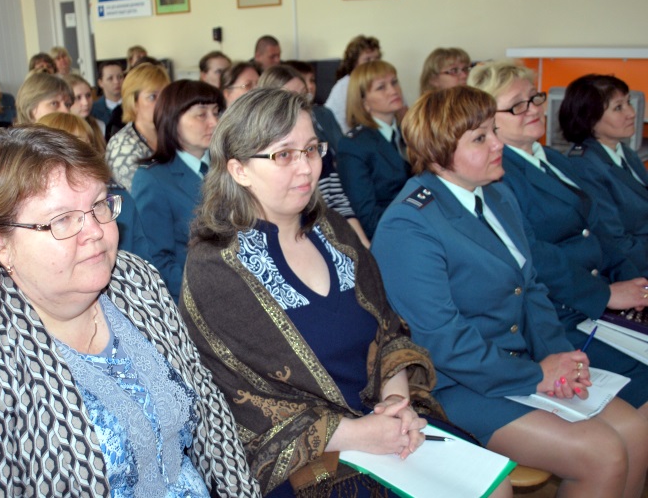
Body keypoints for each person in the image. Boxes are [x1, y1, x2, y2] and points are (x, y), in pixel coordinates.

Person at [0, 125, 260, 496]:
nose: (96, 231)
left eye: (100, 205)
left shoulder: (135, 281)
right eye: (62, 220)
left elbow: (208, 411)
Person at [178, 89, 501, 497]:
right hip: (302, 455)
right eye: (283, 155)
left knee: (492, 485)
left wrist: (396, 401)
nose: (306, 168)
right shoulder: (217, 265)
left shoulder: (333, 230)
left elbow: (388, 329)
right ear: (239, 169)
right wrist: (358, 434)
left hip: (381, 416)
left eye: (311, 150)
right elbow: (242, 402)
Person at [373, 85, 648, 497]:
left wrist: (558, 357)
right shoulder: (410, 225)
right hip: (456, 385)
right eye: (480, 138)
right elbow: (442, 341)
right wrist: (537, 374)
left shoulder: (496, 194)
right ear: (437, 154)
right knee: (603, 453)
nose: (498, 144)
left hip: (519, 364)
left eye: (493, 132)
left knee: (635, 430)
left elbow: (532, 286)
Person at [468, 59, 648, 413]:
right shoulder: (498, 175)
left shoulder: (549, 157)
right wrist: (605, 294)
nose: (533, 109)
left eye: (534, 98)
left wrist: (632, 281)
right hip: (558, 311)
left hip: (594, 298)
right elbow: (532, 253)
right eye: (517, 105)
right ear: (488, 122)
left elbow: (595, 229)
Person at [258, 64, 370, 246]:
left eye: (304, 95)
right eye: (291, 97)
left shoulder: (316, 146)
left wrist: (364, 245)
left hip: (329, 225)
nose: (301, 102)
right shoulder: (263, 150)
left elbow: (338, 199)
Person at [132, 80, 224, 301]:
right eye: (201, 115)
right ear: (172, 121)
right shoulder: (153, 179)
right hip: (194, 298)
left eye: (216, 113)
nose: (214, 122)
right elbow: (156, 260)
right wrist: (207, 293)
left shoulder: (228, 167)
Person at [37, 111, 153, 263]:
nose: (77, 161)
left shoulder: (118, 200)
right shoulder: (37, 209)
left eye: (84, 150)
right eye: (63, 155)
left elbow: (142, 260)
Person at [560, 74, 648, 272]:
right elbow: (615, 243)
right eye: (618, 108)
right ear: (590, 119)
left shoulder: (625, 152)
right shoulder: (584, 166)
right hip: (630, 271)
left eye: (628, 103)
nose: (631, 113)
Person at [338, 60, 411, 237]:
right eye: (381, 87)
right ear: (364, 102)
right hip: (392, 234)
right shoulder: (354, 145)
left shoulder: (409, 132)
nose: (393, 90)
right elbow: (368, 217)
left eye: (394, 82)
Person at [104, 63, 170, 190]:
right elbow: (137, 199)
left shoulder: (172, 134)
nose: (162, 103)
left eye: (165, 95)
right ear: (133, 102)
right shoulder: (122, 146)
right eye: (153, 97)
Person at [325, 35, 381, 133]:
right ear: (354, 63)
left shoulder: (385, 81)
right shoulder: (344, 86)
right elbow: (335, 126)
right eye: (367, 60)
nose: (373, 64)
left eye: (376, 59)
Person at [64, 73, 107, 149]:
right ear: (66, 101)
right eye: (78, 97)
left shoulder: (100, 125)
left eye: (88, 95)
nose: (85, 102)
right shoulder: (58, 130)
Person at [91, 59, 125, 126]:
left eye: (120, 77)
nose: (116, 82)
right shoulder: (93, 110)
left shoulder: (134, 105)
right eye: (110, 78)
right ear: (100, 83)